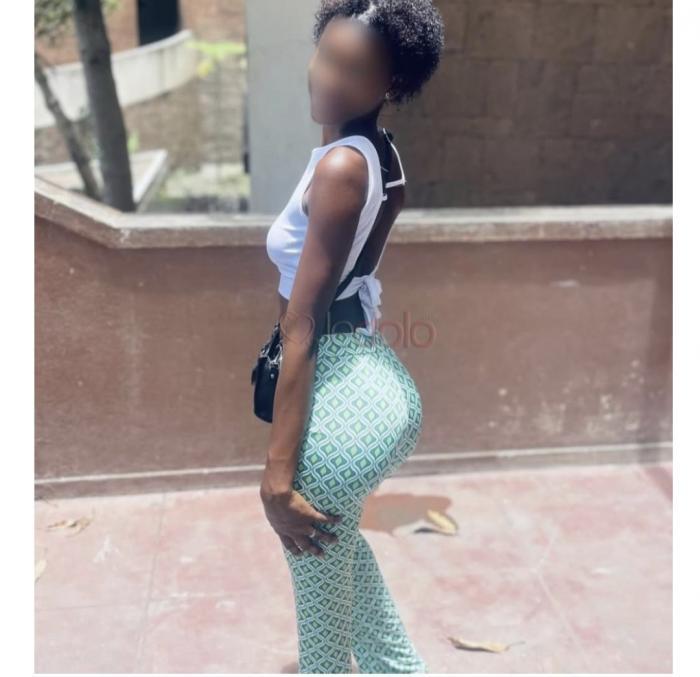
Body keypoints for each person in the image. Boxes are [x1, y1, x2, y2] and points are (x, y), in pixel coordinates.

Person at [260, 1, 444, 672]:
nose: (329, 78)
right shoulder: (380, 156)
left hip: (335, 409)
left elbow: (303, 323)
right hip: (374, 385)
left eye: (354, 70)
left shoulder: (341, 166)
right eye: (327, 56)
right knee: (343, 562)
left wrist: (277, 476)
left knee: (323, 650)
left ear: (391, 83)